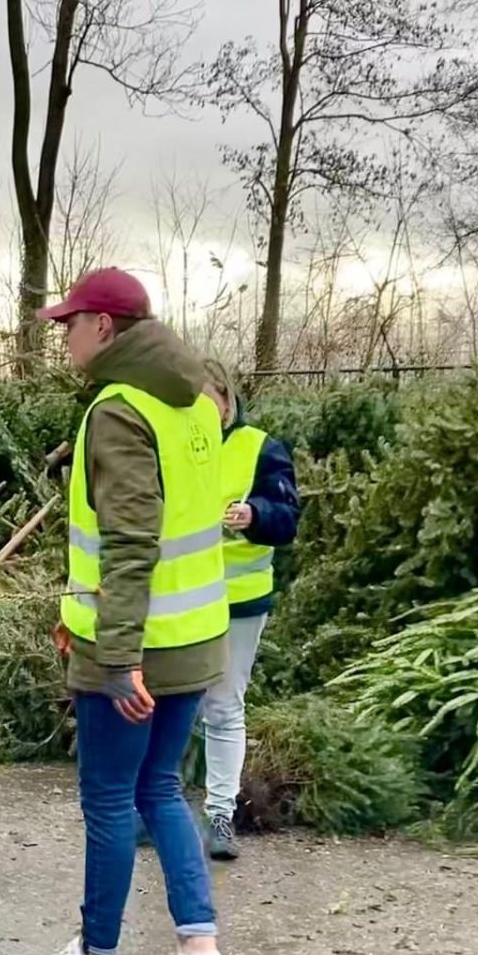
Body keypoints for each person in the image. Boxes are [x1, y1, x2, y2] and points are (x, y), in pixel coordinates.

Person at [23, 269, 233, 955]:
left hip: (136, 649)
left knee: (111, 798)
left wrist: (113, 656)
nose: (63, 336)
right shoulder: (198, 398)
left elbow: (132, 542)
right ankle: (198, 950)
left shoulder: (118, 409)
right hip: (197, 633)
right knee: (161, 789)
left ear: (105, 328)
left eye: (69, 324)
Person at [197, 367, 300, 860]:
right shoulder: (174, 446)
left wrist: (255, 514)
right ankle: (159, 809)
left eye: (207, 398)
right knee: (170, 706)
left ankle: (221, 813)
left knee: (222, 705)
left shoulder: (261, 447)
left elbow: (287, 518)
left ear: (226, 399)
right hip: (182, 598)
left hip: (239, 602)